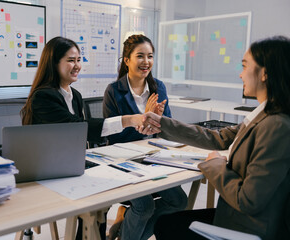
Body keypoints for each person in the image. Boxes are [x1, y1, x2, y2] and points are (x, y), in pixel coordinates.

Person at [140, 36, 290, 240]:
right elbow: (218, 138)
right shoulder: (264, 115)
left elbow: (248, 200)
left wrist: (216, 165)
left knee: (167, 225)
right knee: (170, 221)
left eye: (245, 66)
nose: (240, 74)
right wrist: (162, 122)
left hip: (248, 228)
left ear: (264, 73)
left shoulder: (277, 126)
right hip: (238, 217)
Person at [20, 36, 144, 240]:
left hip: (70, 164)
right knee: (100, 199)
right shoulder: (43, 97)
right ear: (54, 63)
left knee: (121, 187)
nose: (77, 65)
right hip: (47, 171)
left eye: (79, 60)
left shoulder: (74, 95)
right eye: (70, 60)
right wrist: (127, 120)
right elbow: (77, 128)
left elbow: (78, 135)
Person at [103, 34, 187, 240]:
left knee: (179, 201)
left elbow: (167, 129)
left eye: (150, 56)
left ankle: (125, 231)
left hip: (154, 157)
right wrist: (143, 121)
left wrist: (157, 121)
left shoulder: (158, 87)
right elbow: (113, 135)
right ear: (127, 60)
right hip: (124, 161)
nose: (146, 62)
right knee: (144, 206)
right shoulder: (114, 91)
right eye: (140, 56)